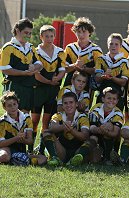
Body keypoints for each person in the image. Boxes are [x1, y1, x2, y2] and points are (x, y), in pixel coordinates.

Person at [31, 25, 66, 154]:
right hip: (38, 89)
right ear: (41, 37)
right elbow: (35, 73)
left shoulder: (60, 52)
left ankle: (41, 149)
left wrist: (57, 79)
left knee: (46, 122)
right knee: (34, 120)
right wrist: (48, 81)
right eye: (46, 36)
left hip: (52, 91)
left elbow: (63, 70)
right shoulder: (35, 51)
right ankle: (29, 148)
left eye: (51, 36)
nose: (49, 38)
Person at [0, 18, 42, 112]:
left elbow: (39, 63)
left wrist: (34, 67)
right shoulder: (8, 47)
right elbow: (5, 69)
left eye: (30, 33)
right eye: (26, 33)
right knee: (14, 115)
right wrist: (24, 73)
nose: (28, 36)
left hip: (29, 85)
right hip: (14, 85)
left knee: (26, 114)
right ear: (17, 31)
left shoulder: (30, 47)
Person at [42, 92, 92, 166]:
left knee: (92, 139)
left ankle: (76, 159)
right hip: (62, 150)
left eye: (71, 102)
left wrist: (72, 130)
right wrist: (64, 126)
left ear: (76, 104)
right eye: (65, 103)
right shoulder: (58, 115)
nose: (68, 105)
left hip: (77, 150)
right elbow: (51, 127)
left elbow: (85, 136)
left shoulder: (83, 117)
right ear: (62, 105)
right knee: (46, 132)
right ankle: (55, 158)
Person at [0, 91, 47, 166]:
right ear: (4, 107)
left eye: (14, 104)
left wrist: (23, 140)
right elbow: (1, 144)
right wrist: (16, 138)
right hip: (6, 149)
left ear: (18, 104)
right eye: (9, 105)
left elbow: (30, 141)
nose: (13, 107)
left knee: (43, 159)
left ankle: (17, 159)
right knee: (4, 156)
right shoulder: (2, 122)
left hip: (20, 150)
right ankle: (19, 160)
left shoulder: (26, 118)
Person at [63, 17, 102, 92]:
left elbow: (99, 71)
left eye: (84, 31)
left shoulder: (96, 50)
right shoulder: (70, 48)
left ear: (90, 32)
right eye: (78, 31)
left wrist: (85, 69)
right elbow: (64, 68)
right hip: (70, 82)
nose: (81, 34)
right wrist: (75, 65)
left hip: (87, 85)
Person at [94, 33, 129, 110]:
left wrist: (112, 78)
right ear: (108, 45)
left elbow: (124, 82)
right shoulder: (101, 59)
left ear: (121, 46)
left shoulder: (124, 61)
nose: (113, 46)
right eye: (111, 43)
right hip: (103, 94)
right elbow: (97, 78)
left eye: (116, 44)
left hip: (117, 96)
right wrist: (103, 76)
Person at [89, 87, 124, 164]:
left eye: (114, 99)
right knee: (92, 139)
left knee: (109, 126)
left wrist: (105, 131)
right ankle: (89, 153)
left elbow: (115, 133)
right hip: (97, 136)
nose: (111, 100)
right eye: (109, 98)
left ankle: (109, 156)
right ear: (103, 99)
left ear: (117, 101)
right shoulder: (96, 107)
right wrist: (99, 130)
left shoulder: (119, 113)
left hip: (111, 138)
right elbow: (91, 127)